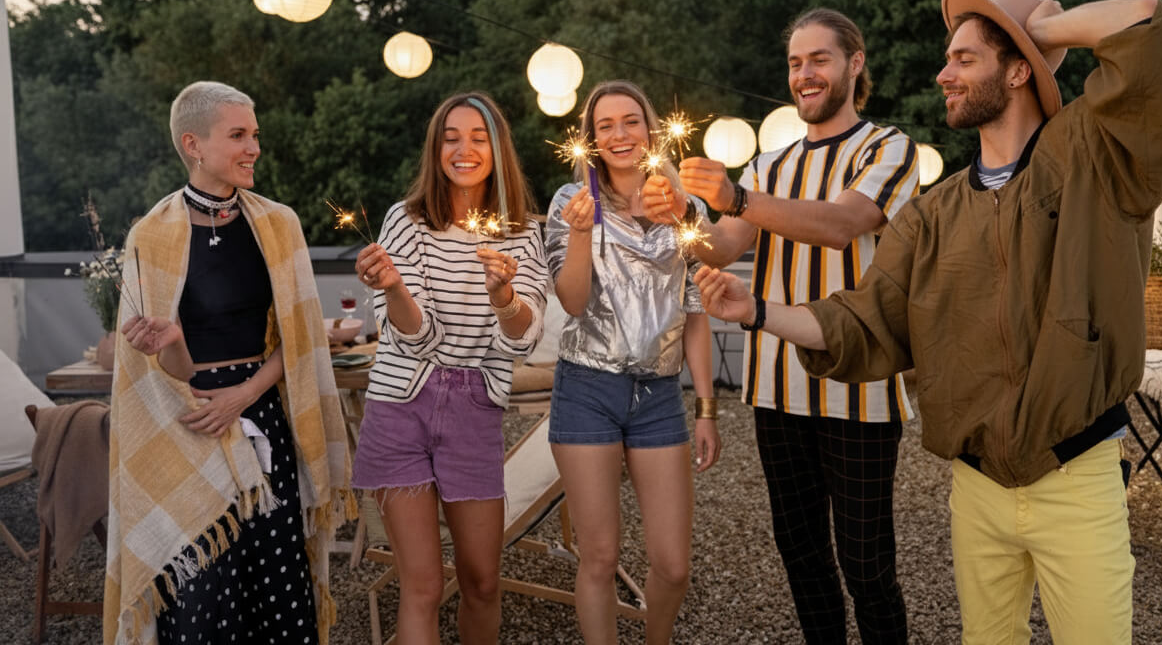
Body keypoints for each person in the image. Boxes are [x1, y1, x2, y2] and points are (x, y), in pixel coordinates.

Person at [694, 0, 1162, 644]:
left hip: (1076, 477)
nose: (943, 74)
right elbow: (863, 320)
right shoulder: (937, 214)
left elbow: (1152, 34)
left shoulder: (1095, 159)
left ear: (1017, 67)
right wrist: (756, 308)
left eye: (964, 58)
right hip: (978, 487)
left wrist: (1042, 27)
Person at [645, 8, 918, 644]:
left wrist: (735, 198)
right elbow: (720, 245)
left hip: (860, 387)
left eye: (819, 59)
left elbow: (840, 224)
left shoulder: (887, 147)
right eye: (795, 63)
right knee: (800, 556)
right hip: (775, 390)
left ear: (855, 64)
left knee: (868, 567)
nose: (804, 75)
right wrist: (678, 214)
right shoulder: (770, 165)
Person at [105, 80, 355, 645]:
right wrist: (171, 340)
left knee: (277, 581)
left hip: (264, 414)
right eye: (238, 135)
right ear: (193, 144)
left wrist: (246, 394)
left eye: (255, 135)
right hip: (189, 423)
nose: (254, 148)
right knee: (201, 593)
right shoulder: (150, 236)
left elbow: (299, 340)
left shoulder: (278, 224)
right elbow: (166, 373)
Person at [350, 91, 547, 645]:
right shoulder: (406, 222)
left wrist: (504, 295)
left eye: (478, 138)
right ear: (435, 150)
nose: (464, 150)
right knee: (423, 586)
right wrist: (392, 287)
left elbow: (523, 340)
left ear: (498, 148)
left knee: (483, 581)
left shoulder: (525, 233)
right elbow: (416, 338)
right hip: (400, 407)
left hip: (474, 408)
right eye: (451, 138)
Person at [546, 80, 722, 645]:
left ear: (649, 128)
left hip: (659, 398)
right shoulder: (569, 203)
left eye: (630, 121)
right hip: (586, 390)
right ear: (591, 139)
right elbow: (572, 302)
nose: (619, 134)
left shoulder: (683, 207)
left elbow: (695, 308)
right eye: (605, 126)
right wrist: (579, 233)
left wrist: (707, 407)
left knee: (673, 564)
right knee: (599, 556)